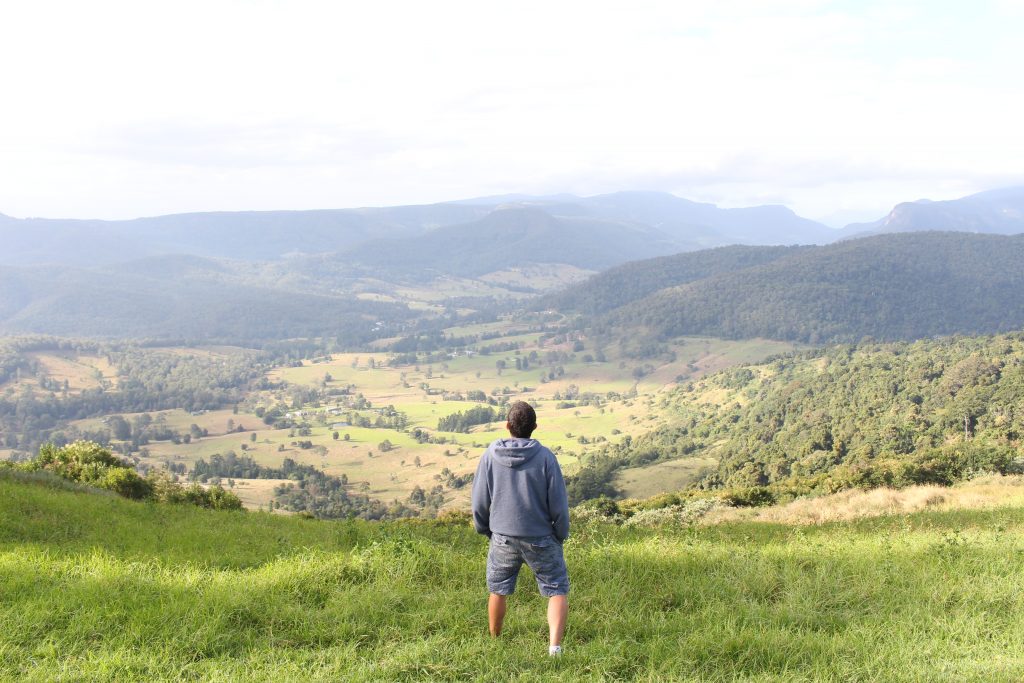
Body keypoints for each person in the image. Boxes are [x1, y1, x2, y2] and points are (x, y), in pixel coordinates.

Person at [471, 401, 570, 656]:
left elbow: (480, 500)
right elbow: (558, 503)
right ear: (534, 427)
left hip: (502, 536)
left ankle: (495, 641)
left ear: (507, 426)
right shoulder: (546, 457)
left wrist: (486, 530)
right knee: (556, 588)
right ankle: (554, 649)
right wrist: (560, 534)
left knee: (498, 589)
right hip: (541, 536)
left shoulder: (490, 455)